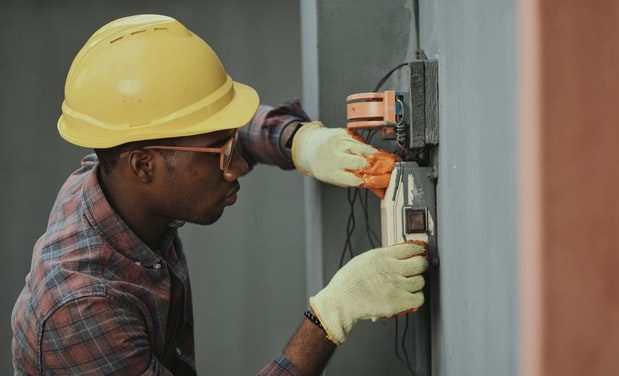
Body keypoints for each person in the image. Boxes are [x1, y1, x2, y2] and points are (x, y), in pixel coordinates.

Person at [11, 14, 428, 376]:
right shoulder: (81, 309)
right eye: (221, 152)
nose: (238, 166)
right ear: (143, 166)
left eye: (232, 144)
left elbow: (202, 133)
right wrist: (328, 318)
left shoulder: (117, 170)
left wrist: (298, 141)